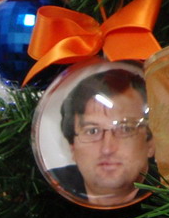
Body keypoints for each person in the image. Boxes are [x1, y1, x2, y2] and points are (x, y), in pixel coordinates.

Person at [50, 66, 155, 207]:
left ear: (151, 144)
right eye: (92, 131)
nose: (107, 149)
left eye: (125, 129)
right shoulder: (42, 194)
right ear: (72, 147)